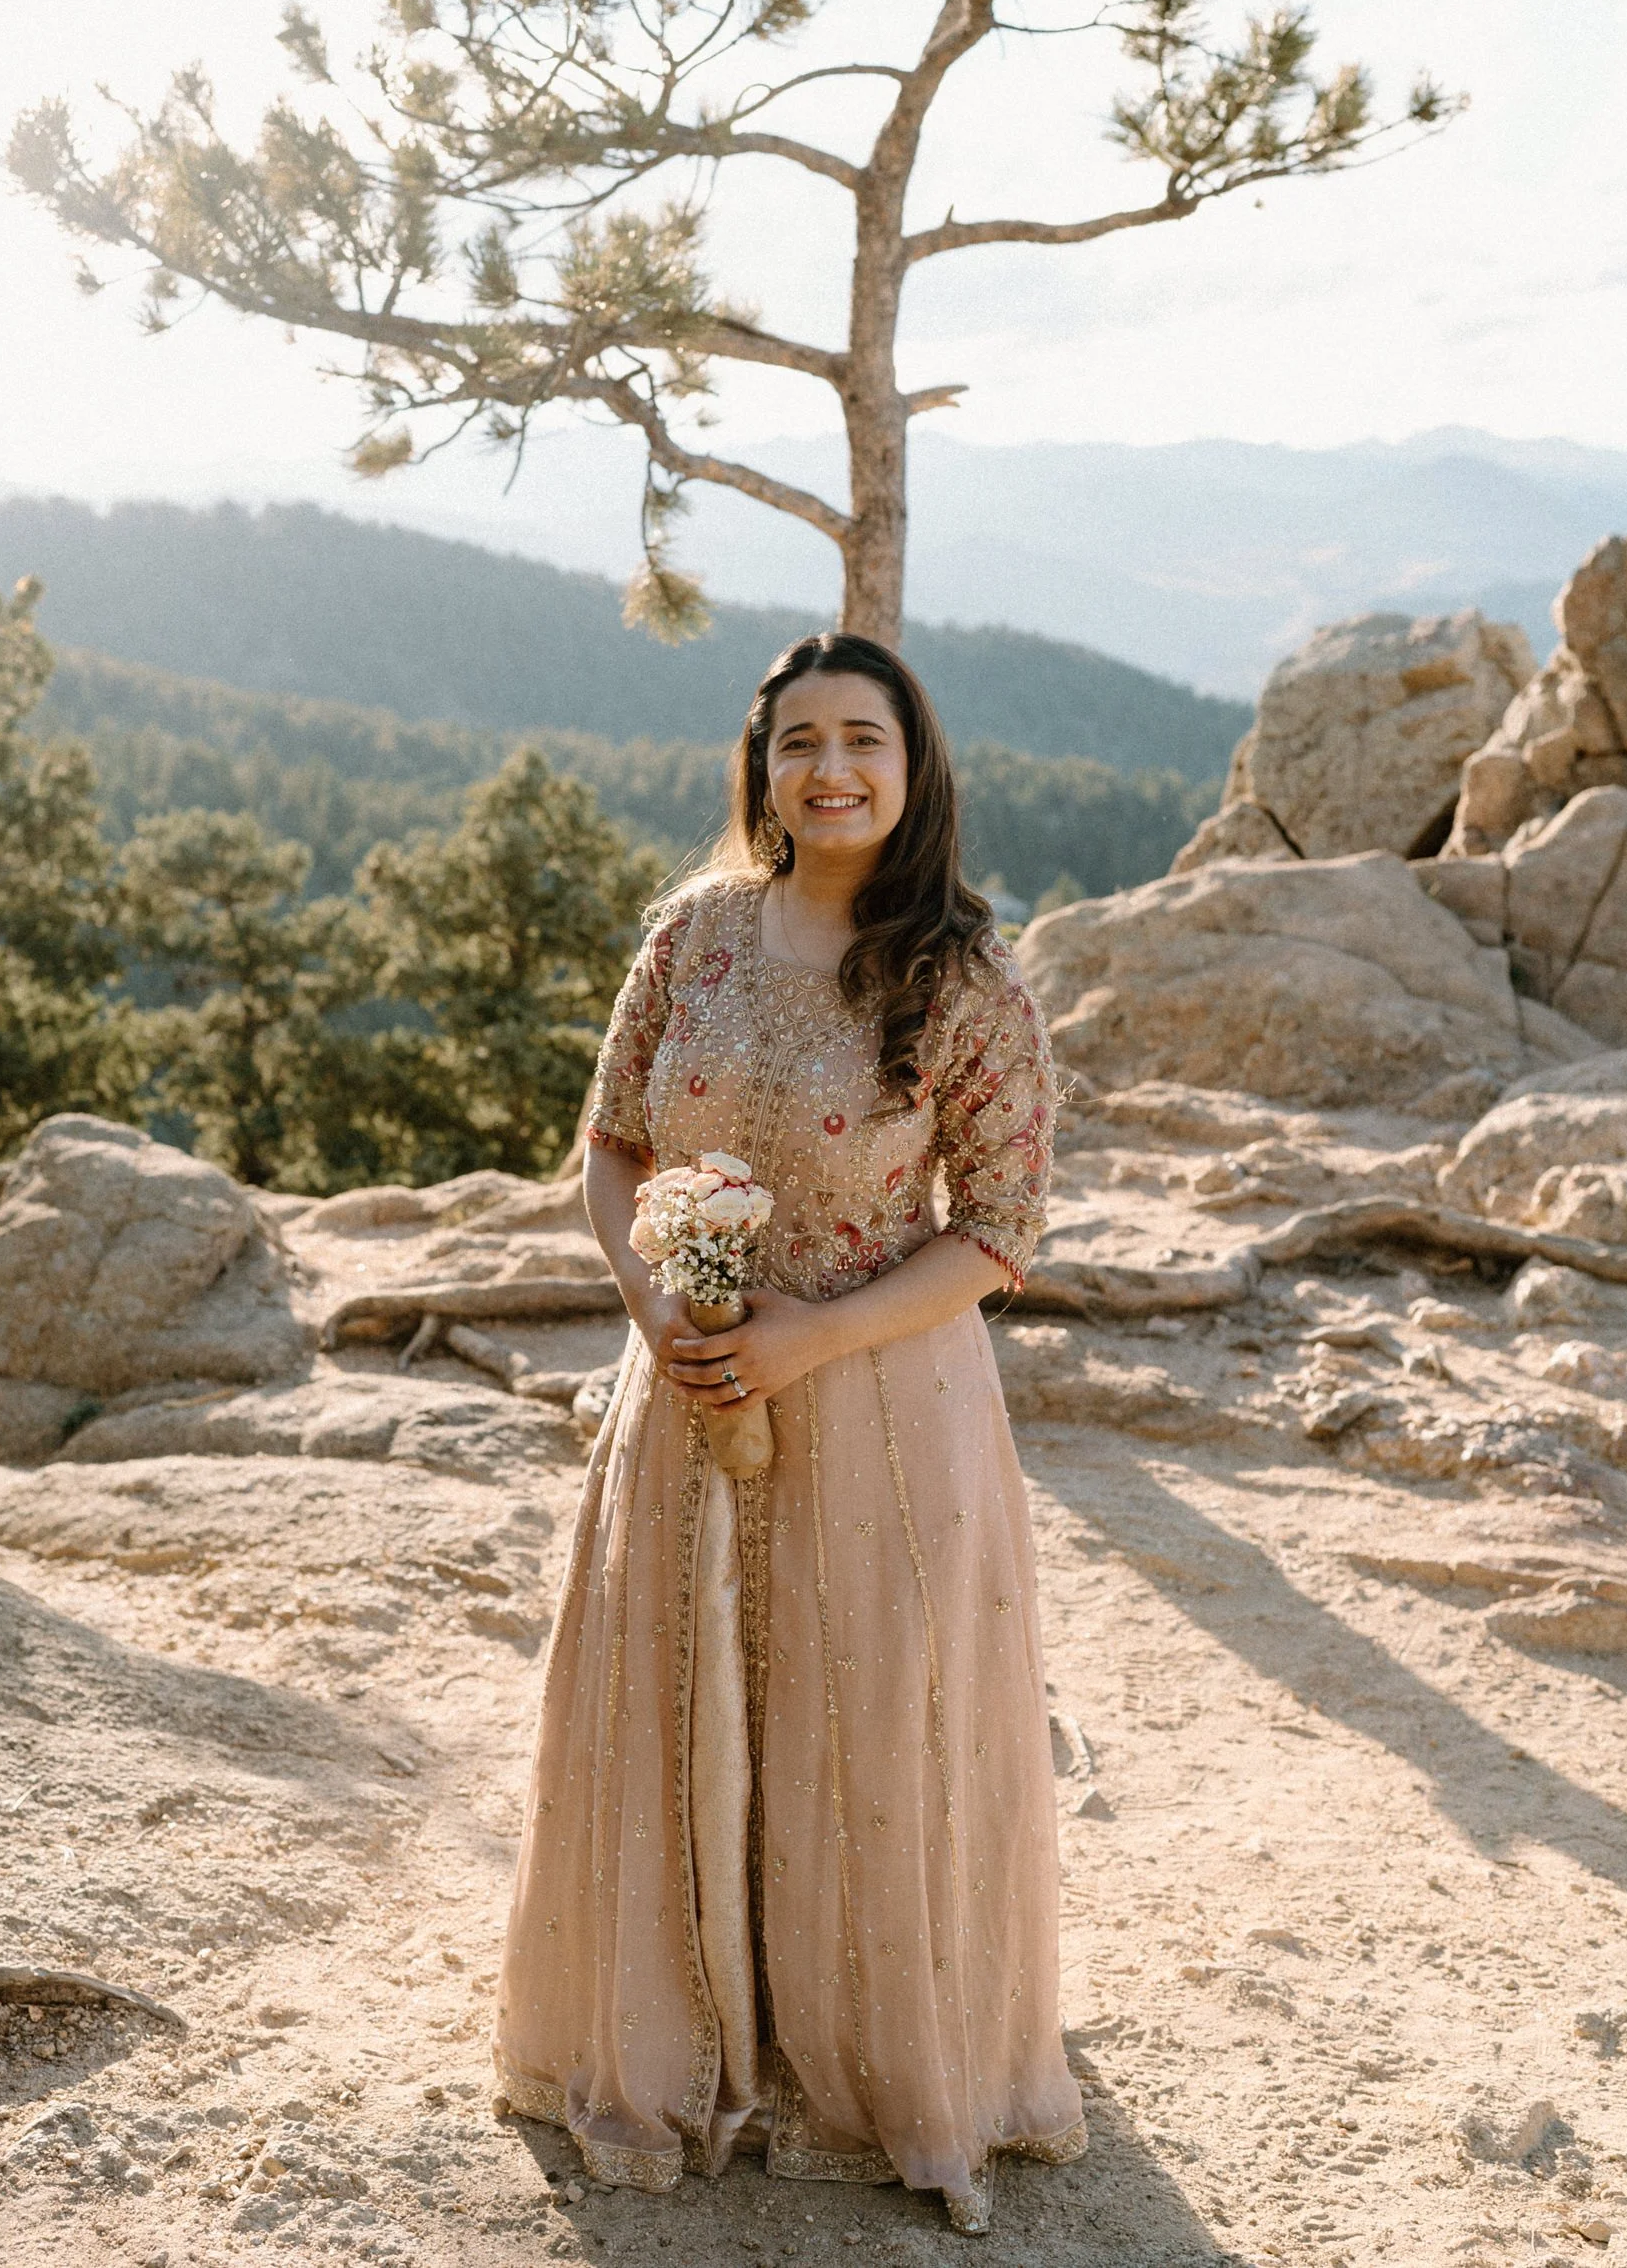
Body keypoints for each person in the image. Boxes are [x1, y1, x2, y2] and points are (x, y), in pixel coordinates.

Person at [492, 632, 1086, 2233]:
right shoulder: (690, 936)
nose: (831, 769)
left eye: (863, 740)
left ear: (913, 767)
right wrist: (656, 1311)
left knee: (865, 1721)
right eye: (799, 741)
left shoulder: (965, 978)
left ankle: (882, 2067)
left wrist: (807, 1336)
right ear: (761, 767)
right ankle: (692, 2031)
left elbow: (1003, 1231)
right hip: (683, 1393)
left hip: (884, 1402)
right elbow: (611, 1144)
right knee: (680, 1694)